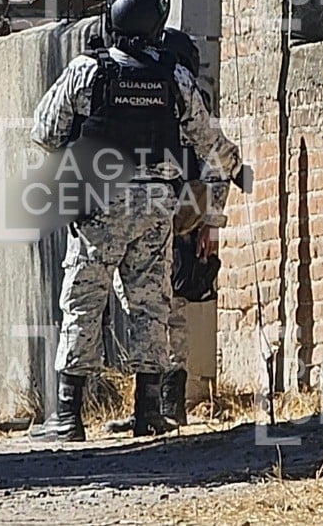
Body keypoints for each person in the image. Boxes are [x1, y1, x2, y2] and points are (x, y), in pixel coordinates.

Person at [27, 0, 247, 442]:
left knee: (84, 303)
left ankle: (67, 417)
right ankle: (149, 412)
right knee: (151, 304)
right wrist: (230, 172)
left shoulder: (90, 70)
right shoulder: (176, 77)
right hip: (156, 205)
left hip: (100, 201)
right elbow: (211, 144)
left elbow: (44, 131)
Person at [104, 27, 224, 433]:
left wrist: (211, 223)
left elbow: (221, 163)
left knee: (167, 308)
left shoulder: (189, 107)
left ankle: (168, 405)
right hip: (163, 214)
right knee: (147, 305)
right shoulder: (163, 104)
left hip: (182, 219)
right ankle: (154, 403)